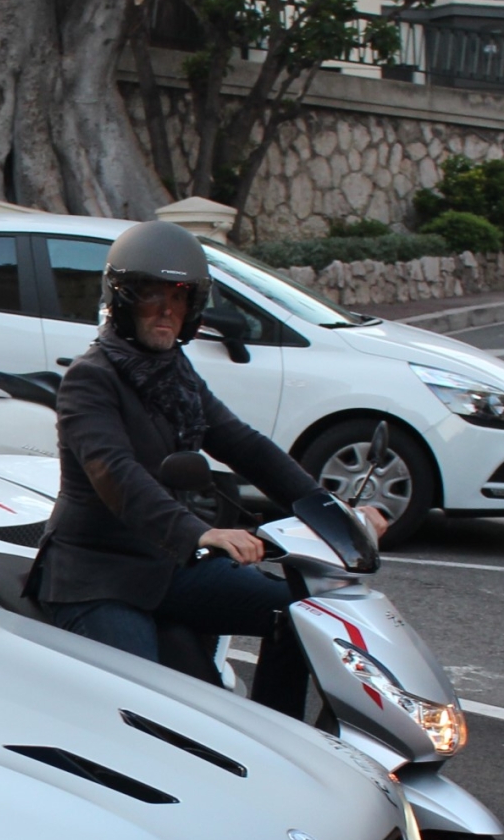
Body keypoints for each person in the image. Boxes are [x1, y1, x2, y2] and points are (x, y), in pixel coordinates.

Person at [39, 220, 387, 679]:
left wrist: (331, 510)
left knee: (306, 619)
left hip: (167, 566)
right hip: (99, 576)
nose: (167, 311)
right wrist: (200, 532)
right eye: (153, 296)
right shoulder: (91, 377)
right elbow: (113, 472)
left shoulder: (172, 370)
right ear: (123, 300)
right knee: (144, 701)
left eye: (179, 297)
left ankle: (279, 739)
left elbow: (244, 444)